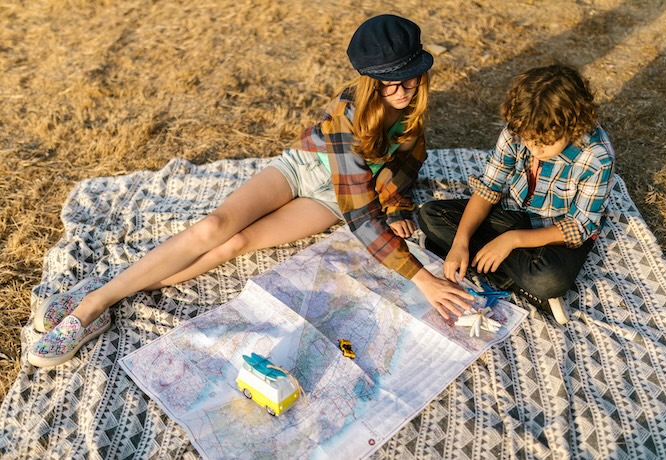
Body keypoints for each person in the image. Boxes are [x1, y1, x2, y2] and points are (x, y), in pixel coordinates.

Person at [28, 14, 474, 368]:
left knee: (235, 245)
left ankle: (110, 293)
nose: (398, 91)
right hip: (306, 167)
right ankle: (92, 306)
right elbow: (360, 214)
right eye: (386, 82)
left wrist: (396, 204)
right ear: (367, 79)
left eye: (408, 78)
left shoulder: (413, 112)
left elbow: (399, 169)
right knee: (213, 227)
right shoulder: (349, 109)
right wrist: (420, 278)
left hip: (327, 200)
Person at [418, 64, 615, 325]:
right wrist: (461, 242)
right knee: (430, 215)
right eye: (529, 140)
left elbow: (579, 227)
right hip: (512, 214)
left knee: (548, 279)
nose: (534, 149)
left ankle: (519, 279)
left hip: (554, 234)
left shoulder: (597, 158)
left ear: (574, 126)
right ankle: (510, 275)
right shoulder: (518, 130)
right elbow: (489, 187)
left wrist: (511, 240)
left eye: (544, 144)